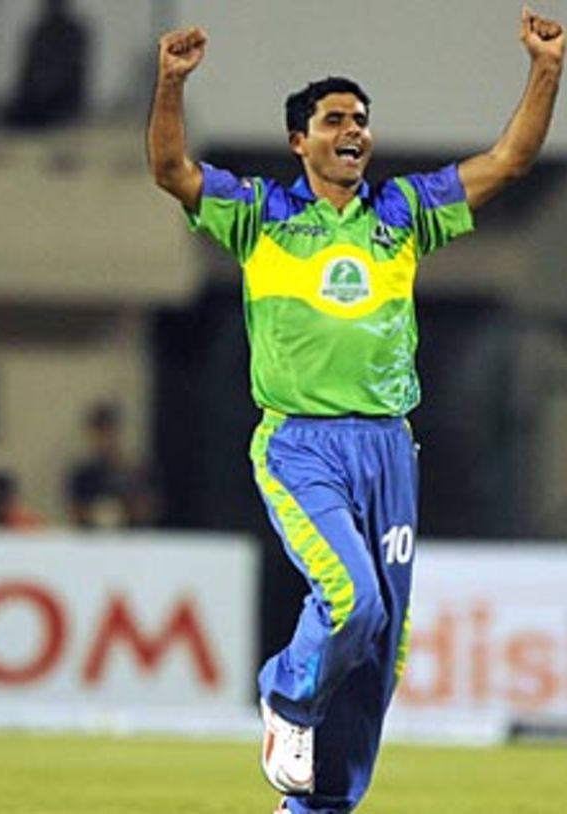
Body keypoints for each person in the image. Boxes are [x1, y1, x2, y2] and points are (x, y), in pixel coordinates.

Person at [147, 9, 561, 814]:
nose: (354, 131)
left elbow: (509, 161)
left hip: (388, 452)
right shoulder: (259, 214)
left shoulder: (402, 213)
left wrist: (546, 68)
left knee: (379, 655)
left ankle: (316, 808)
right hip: (302, 445)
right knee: (352, 600)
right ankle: (286, 701)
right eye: (335, 119)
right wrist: (169, 84)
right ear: (299, 139)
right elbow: (171, 169)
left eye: (362, 120)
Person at [64, 402, 162, 530]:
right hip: (90, 542)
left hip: (132, 541)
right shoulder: (82, 474)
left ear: (117, 432)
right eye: (100, 432)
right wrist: (96, 514)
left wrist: (123, 512)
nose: (105, 439)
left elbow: (150, 508)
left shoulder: (135, 472)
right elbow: (74, 511)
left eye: (109, 431)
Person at [6, 0, 90, 128]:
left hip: (61, 105)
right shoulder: (38, 32)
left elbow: (72, 76)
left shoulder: (73, 33)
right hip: (34, 102)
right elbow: (27, 73)